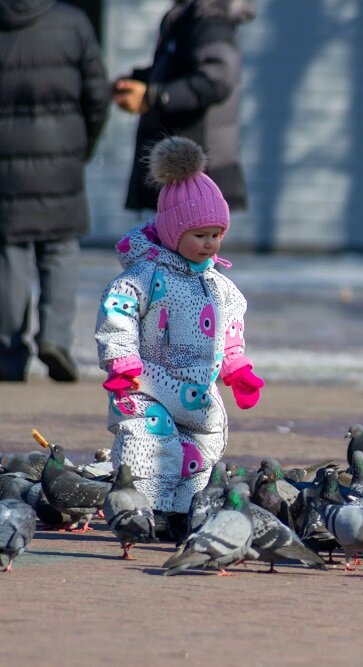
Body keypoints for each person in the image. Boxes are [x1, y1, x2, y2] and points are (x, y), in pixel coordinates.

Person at [95, 136, 264, 521]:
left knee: (202, 447)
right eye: (199, 235)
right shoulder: (146, 276)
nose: (209, 244)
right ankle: (141, 510)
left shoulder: (221, 286)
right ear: (173, 232)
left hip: (198, 388)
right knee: (147, 442)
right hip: (147, 380)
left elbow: (231, 328)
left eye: (216, 234)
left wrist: (237, 369)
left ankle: (185, 511)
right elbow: (117, 312)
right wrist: (122, 360)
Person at [0, 0, 110, 382]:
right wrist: (82, 146)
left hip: (6, 162)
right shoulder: (73, 23)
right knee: (60, 248)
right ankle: (56, 340)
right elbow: (98, 96)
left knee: (9, 253)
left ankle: (9, 352)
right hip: (62, 154)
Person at [113, 0, 256, 214]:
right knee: (167, 244)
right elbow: (177, 70)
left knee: (190, 245)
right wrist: (139, 81)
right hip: (176, 164)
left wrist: (154, 96)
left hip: (198, 168)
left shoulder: (211, 22)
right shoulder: (186, 18)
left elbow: (216, 81)